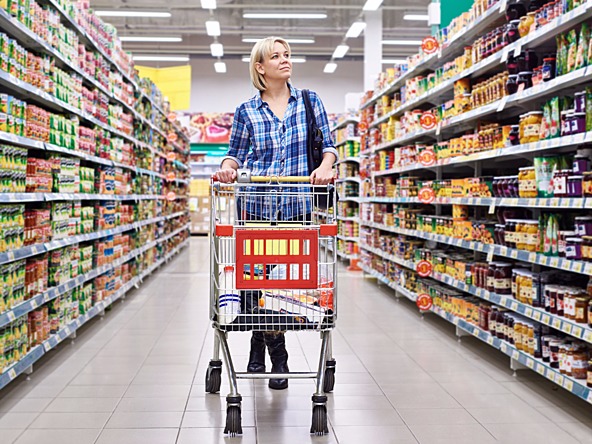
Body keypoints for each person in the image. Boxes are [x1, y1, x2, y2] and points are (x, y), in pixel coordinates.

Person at [216, 36, 338, 390]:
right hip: (255, 208)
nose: (285, 60)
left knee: (283, 287)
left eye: (287, 55)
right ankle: (278, 354)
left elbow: (329, 147)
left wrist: (327, 166)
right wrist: (226, 169)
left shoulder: (310, 102)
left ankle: (260, 343)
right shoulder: (246, 111)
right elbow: (235, 155)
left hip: (297, 211)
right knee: (255, 287)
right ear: (260, 67)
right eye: (276, 56)